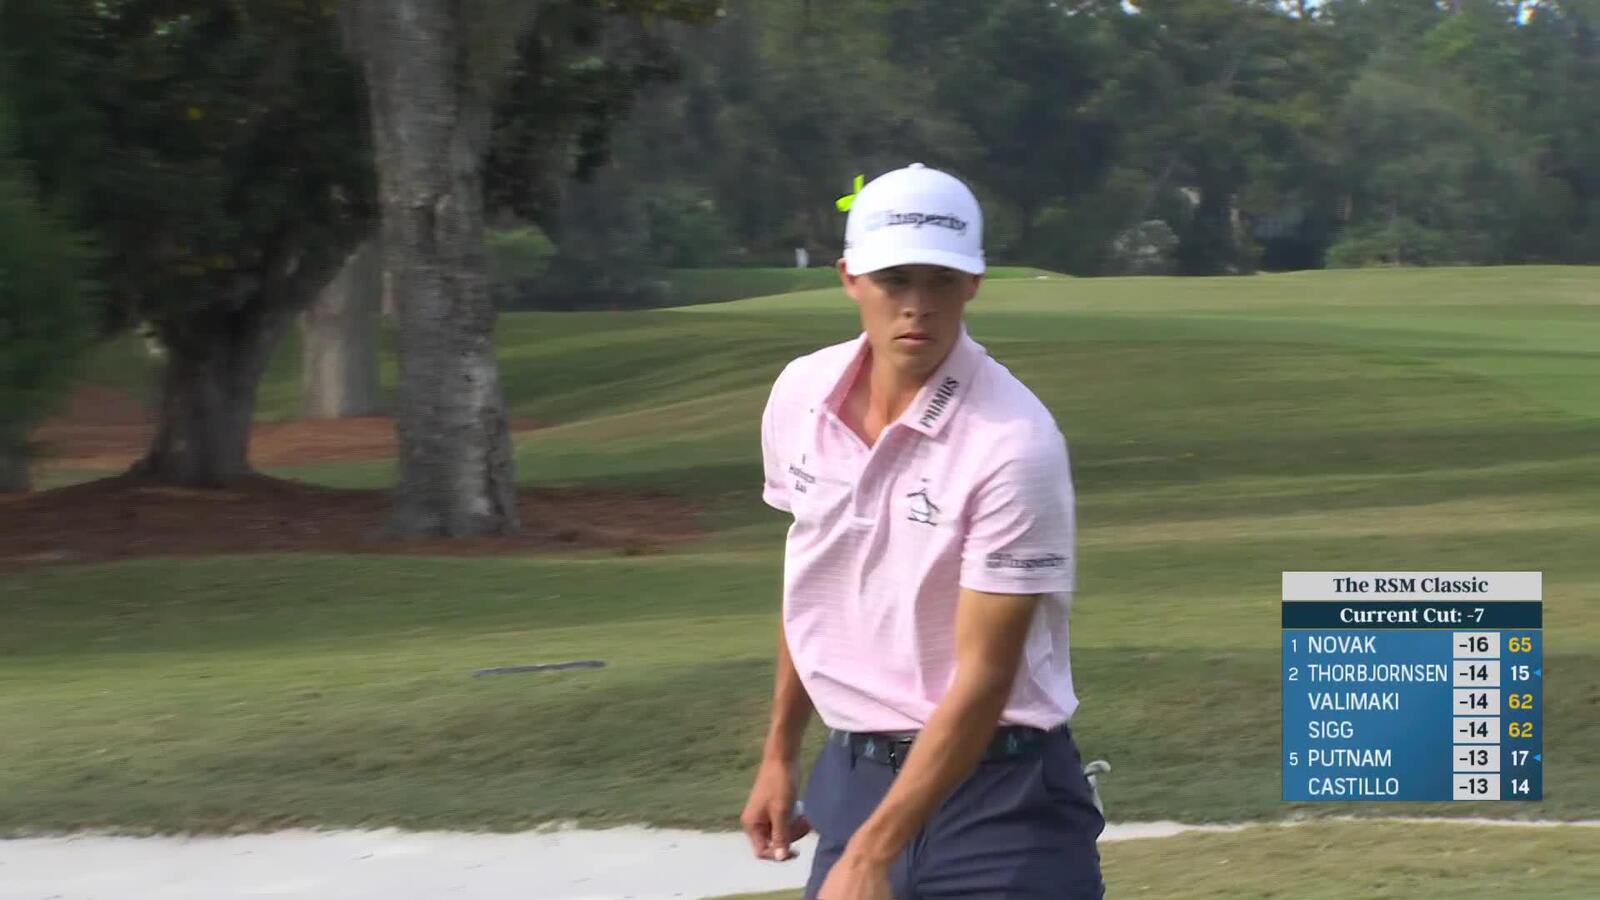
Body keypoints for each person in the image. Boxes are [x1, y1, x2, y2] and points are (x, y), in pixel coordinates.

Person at [740, 163, 1106, 900]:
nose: (918, 306)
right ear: (850, 279)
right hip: (853, 777)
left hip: (1000, 798)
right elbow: (815, 583)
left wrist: (874, 855)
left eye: (941, 280)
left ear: (973, 284)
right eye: (894, 280)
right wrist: (780, 754)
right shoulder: (800, 396)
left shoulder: (1013, 442)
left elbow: (984, 678)